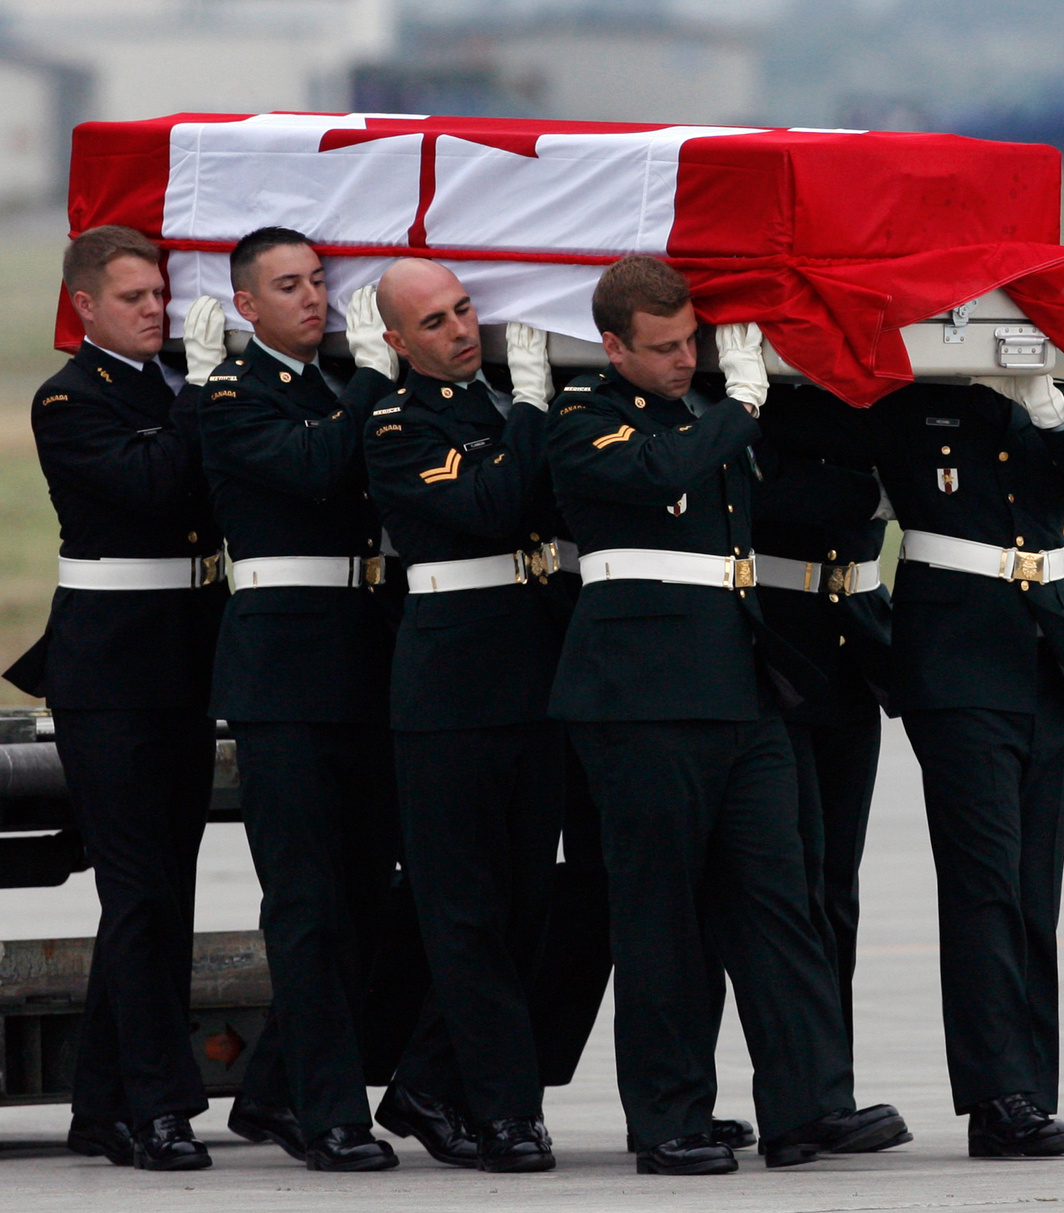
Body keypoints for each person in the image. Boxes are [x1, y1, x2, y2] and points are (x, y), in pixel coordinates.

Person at [547, 254, 907, 1175]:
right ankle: (667, 1119)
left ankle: (807, 1107)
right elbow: (661, 468)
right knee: (661, 913)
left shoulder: (708, 416)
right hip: (639, 700)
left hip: (741, 688)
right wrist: (741, 404)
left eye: (690, 342)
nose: (682, 359)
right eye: (662, 347)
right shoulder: (582, 417)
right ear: (612, 345)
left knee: (778, 902)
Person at [767, 363, 1064, 1158]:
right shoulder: (909, 402)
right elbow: (800, 430)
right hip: (957, 662)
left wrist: (1046, 403)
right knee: (984, 884)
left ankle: (1029, 1088)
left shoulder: (1050, 403)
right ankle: (995, 1095)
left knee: (1031, 885)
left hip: (1041, 656)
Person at [3, 226, 226, 1171]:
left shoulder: (171, 388)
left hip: (181, 666)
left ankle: (103, 1105)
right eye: (133, 298)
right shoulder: (70, 399)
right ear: (86, 306)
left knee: (158, 894)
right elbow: (149, 485)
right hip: (111, 675)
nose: (155, 311)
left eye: (160, 296)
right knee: (140, 893)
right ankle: (158, 1107)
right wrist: (207, 397)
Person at [193, 227, 401, 1172]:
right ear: (248, 306)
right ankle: (327, 1112)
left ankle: (276, 1088)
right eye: (289, 285)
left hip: (362, 662)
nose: (313, 298)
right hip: (283, 674)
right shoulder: (233, 395)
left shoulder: (338, 387)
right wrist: (369, 378)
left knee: (363, 894)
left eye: (320, 280)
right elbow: (318, 468)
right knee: (309, 902)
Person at [361, 259, 560, 1173]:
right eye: (435, 321)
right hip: (447, 691)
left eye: (466, 307)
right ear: (396, 343)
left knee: (523, 906)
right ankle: (504, 1110)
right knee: (465, 911)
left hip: (525, 680)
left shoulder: (486, 408)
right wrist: (530, 407)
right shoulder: (399, 423)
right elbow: (489, 503)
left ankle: (429, 1083)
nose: (460, 329)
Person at [751, 416, 896, 1045]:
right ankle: (810, 1083)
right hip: (779, 653)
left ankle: (831, 1078)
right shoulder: (758, 395)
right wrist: (882, 489)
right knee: (796, 881)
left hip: (852, 654)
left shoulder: (870, 399)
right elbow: (768, 487)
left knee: (838, 883)